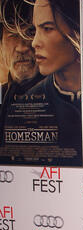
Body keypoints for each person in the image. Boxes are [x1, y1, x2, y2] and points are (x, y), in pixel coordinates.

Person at [23, 0, 82, 163]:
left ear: (77, 29)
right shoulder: (28, 103)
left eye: (47, 28)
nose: (35, 42)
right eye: (35, 30)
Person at [0, 0, 43, 144]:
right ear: (1, 45)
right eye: (12, 35)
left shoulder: (64, 97)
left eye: (30, 32)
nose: (22, 47)